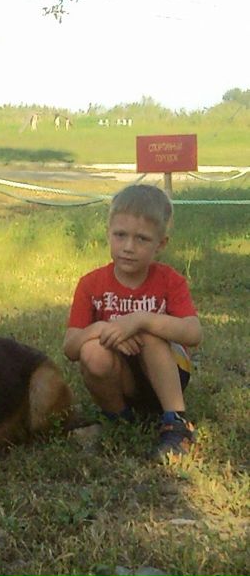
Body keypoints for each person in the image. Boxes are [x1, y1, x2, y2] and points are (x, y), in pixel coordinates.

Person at [63, 184, 202, 460]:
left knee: (149, 334)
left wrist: (141, 320)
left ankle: (176, 421)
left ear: (161, 244)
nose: (128, 247)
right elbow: (70, 348)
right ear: (108, 233)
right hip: (120, 378)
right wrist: (101, 329)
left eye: (142, 239)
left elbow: (194, 333)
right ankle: (119, 417)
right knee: (91, 349)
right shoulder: (90, 284)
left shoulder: (170, 280)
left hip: (166, 374)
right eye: (120, 235)